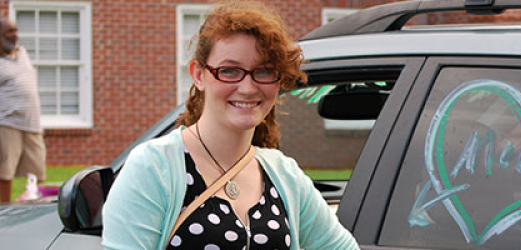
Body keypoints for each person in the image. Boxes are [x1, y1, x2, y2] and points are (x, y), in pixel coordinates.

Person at [102, 1, 359, 249]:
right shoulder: (153, 169)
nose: (247, 88)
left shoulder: (284, 174)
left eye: (265, 71)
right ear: (198, 75)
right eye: (229, 71)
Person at [0, 17, 46, 203]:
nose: (14, 35)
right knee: (4, 172)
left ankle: (33, 211)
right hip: (7, 124)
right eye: (9, 32)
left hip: (32, 124)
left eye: (15, 31)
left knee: (36, 172)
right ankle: (3, 212)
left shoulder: (22, 53)